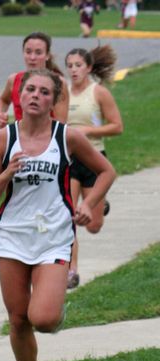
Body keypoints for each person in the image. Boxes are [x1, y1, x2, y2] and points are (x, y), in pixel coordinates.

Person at [0, 69, 116, 361]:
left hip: (54, 234)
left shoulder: (67, 137)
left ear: (54, 101)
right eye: (30, 89)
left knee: (42, 318)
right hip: (12, 235)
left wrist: (89, 204)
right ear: (20, 95)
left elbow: (106, 171)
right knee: (18, 318)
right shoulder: (3, 139)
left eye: (44, 92)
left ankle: (54, 310)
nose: (35, 96)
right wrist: (7, 173)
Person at [65, 45, 123, 288]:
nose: (73, 70)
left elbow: (117, 126)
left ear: (88, 67)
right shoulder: (63, 93)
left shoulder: (98, 93)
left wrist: (89, 131)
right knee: (67, 217)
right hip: (69, 160)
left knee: (93, 226)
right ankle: (72, 270)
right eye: (70, 66)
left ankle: (101, 203)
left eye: (78, 65)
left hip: (94, 158)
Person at [0, 32, 70, 130]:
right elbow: (3, 100)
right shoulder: (14, 79)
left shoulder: (58, 83)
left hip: (46, 137)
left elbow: (60, 125)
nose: (32, 57)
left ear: (47, 55)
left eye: (38, 53)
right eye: (28, 52)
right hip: (18, 137)